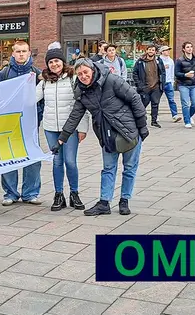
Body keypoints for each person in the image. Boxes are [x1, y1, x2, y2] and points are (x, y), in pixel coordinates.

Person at [58, 59, 148, 216]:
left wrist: (142, 126)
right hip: (106, 134)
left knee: (129, 168)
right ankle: (104, 203)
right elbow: (75, 115)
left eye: (86, 72)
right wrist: (63, 137)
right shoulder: (81, 91)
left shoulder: (112, 80)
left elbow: (134, 98)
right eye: (79, 74)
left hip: (129, 130)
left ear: (92, 69)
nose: (83, 76)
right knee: (108, 168)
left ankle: (124, 200)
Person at [37, 47, 89, 212]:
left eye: (56, 61)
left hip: (71, 128)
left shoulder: (73, 79)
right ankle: (58, 194)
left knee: (70, 162)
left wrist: (83, 128)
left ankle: (74, 193)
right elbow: (30, 98)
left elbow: (82, 104)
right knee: (57, 162)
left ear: (62, 62)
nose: (54, 64)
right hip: (51, 128)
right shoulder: (44, 81)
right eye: (50, 62)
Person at [0, 40, 43, 206]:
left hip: (30, 123)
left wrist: (38, 115)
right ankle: (10, 193)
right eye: (18, 51)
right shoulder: (4, 73)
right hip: (9, 123)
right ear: (13, 54)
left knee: (32, 158)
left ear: (29, 53)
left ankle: (30, 193)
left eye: (24, 51)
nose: (21, 54)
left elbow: (42, 98)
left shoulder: (37, 73)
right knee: (9, 156)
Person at [132, 45, 166, 128]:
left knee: (155, 104)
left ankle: (154, 121)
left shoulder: (158, 60)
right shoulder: (140, 61)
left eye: (153, 50)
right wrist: (139, 85)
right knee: (143, 104)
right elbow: (135, 73)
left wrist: (162, 84)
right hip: (145, 87)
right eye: (149, 49)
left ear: (155, 52)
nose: (151, 51)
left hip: (156, 86)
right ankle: (139, 120)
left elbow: (163, 72)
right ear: (146, 50)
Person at [175, 42, 195, 128]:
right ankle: (187, 121)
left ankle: (189, 116)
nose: (190, 48)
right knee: (185, 104)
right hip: (183, 84)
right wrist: (185, 75)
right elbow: (176, 73)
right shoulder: (180, 60)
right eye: (188, 47)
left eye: (191, 47)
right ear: (184, 49)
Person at [158, 46, 182, 123]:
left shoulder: (170, 60)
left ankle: (175, 115)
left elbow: (172, 71)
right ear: (162, 52)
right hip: (159, 82)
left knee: (171, 99)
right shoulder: (158, 60)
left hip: (168, 82)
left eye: (168, 50)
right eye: (166, 50)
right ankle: (155, 115)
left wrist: (172, 81)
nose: (168, 51)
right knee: (156, 100)